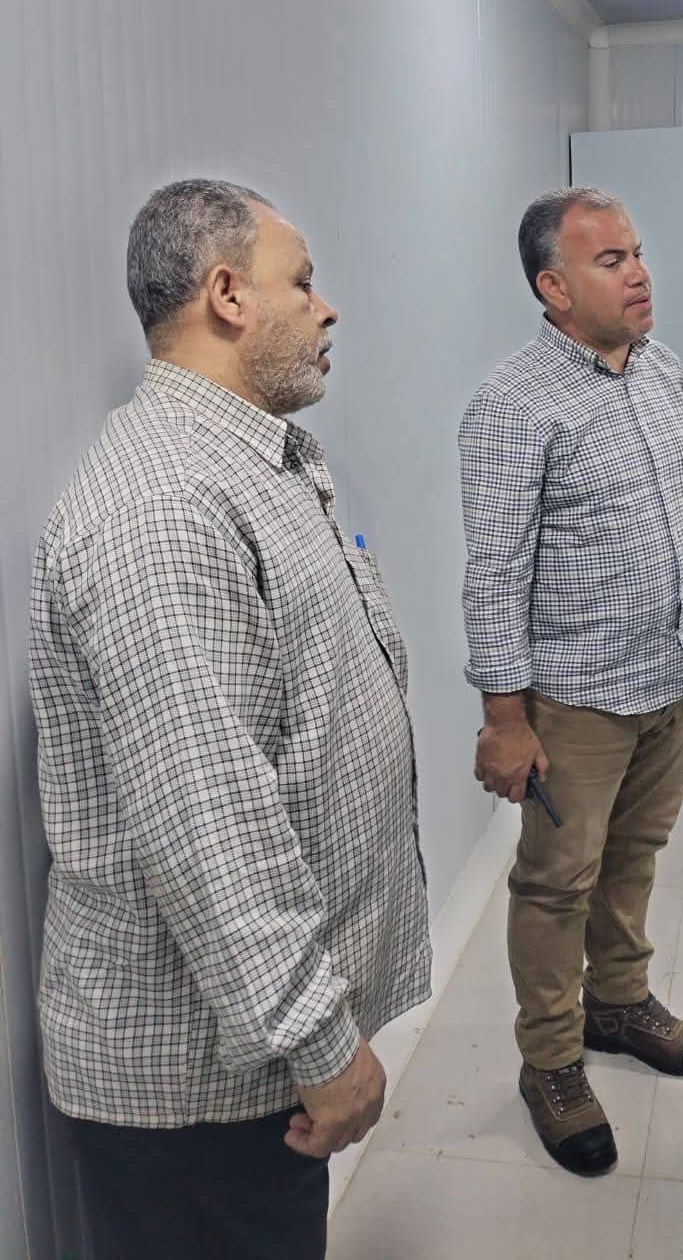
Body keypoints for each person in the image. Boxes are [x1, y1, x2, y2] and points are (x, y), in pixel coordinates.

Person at [29, 179, 431, 1259]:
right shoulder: (165, 506)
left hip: (241, 1062)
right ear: (228, 295)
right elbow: (209, 823)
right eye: (302, 282)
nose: (326, 308)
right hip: (197, 1090)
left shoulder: (250, 463)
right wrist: (322, 1042)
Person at [458, 186, 683, 1177]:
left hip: (668, 675)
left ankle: (618, 1002)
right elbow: (493, 574)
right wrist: (505, 720)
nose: (639, 273)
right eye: (611, 259)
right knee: (556, 883)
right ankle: (551, 1062)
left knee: (636, 852)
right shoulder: (512, 404)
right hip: (574, 698)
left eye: (637, 252)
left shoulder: (664, 370)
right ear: (554, 286)